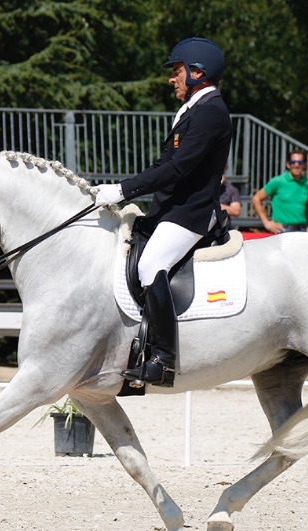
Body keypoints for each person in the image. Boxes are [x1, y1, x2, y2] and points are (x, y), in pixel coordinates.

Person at [92, 37, 232, 386]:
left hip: (191, 212)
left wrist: (122, 190)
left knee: (150, 264)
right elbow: (163, 164)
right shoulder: (192, 110)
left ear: (199, 72)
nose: (172, 78)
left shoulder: (212, 111)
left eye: (177, 71)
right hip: (170, 207)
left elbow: (178, 169)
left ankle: (164, 359)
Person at [252, 150, 308, 233]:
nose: (296, 165)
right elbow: (256, 198)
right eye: (293, 162)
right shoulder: (278, 181)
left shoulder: (307, 184)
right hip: (282, 230)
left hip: (301, 230)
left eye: (300, 162)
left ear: (304, 165)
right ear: (288, 164)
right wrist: (266, 222)